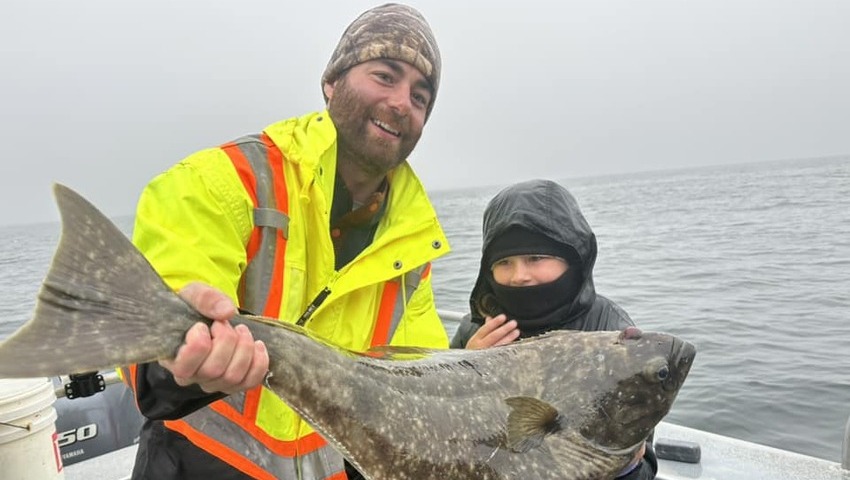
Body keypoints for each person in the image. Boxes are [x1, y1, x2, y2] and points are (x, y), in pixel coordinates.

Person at [120, 4, 450, 480]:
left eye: (421, 97)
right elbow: (142, 342)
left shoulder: (416, 248)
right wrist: (172, 337)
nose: (402, 102)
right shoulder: (221, 182)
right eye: (384, 75)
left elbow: (423, 386)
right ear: (332, 82)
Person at [450, 179, 659, 480]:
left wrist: (627, 467)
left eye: (535, 258)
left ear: (572, 259)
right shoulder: (476, 329)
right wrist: (462, 369)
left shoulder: (611, 331)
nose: (519, 276)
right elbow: (444, 424)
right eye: (504, 262)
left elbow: (639, 452)